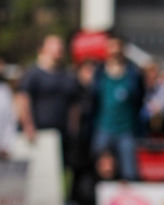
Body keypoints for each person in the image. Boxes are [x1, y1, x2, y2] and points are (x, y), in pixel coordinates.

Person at [15, 34, 79, 164]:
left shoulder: (68, 75)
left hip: (62, 134)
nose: (59, 48)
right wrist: (28, 125)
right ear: (43, 49)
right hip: (39, 134)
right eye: (54, 45)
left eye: (60, 45)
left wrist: (74, 128)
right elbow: (22, 99)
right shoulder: (32, 74)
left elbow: (74, 104)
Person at [90, 31, 144, 181]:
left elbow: (139, 99)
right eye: (111, 46)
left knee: (129, 172)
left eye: (117, 46)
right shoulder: (99, 73)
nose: (114, 50)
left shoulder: (133, 74)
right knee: (100, 172)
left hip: (127, 130)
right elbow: (93, 100)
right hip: (103, 128)